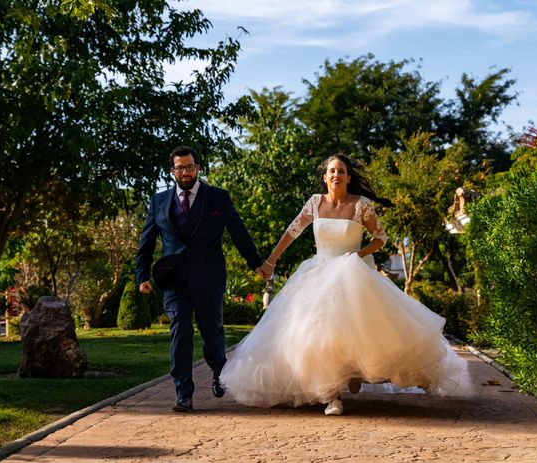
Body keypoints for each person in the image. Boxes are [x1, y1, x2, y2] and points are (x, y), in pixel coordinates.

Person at [220, 153, 471, 415]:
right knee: (317, 333)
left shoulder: (361, 205)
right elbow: (292, 232)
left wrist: (358, 255)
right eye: (331, 171)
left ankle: (357, 373)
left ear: (349, 177)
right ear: (324, 177)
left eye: (341, 171)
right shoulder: (315, 203)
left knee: (361, 332)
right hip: (318, 272)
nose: (336, 175)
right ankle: (332, 395)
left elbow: (380, 238)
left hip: (351, 273)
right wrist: (270, 262)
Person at [136, 146, 264, 412]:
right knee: (180, 329)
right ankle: (184, 393)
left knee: (211, 330)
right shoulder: (159, 201)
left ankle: (219, 371)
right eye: (180, 168)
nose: (185, 172)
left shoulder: (217, 197)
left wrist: (256, 263)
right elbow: (146, 242)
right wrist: (142, 275)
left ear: (198, 168)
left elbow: (238, 232)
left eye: (189, 167)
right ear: (172, 171)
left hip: (209, 276)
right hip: (174, 279)